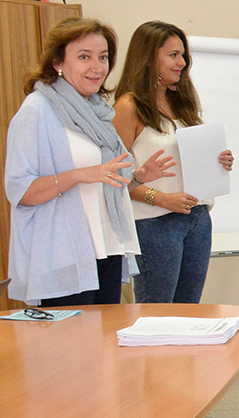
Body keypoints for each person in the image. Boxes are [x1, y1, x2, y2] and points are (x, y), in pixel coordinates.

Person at [5, 17, 174, 306]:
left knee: (104, 348)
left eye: (103, 57)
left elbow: (103, 178)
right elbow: (21, 191)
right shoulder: (37, 110)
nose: (97, 67)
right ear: (58, 61)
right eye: (84, 57)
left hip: (106, 248)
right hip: (64, 255)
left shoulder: (98, 111)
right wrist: (80, 174)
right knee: (70, 349)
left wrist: (138, 176)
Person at [114, 22, 235, 306]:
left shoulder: (181, 102)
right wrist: (162, 198)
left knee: (188, 311)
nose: (182, 62)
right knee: (157, 314)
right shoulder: (128, 107)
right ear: (148, 57)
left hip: (197, 218)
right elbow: (114, 179)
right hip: (155, 223)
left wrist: (218, 161)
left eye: (183, 55)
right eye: (173, 55)